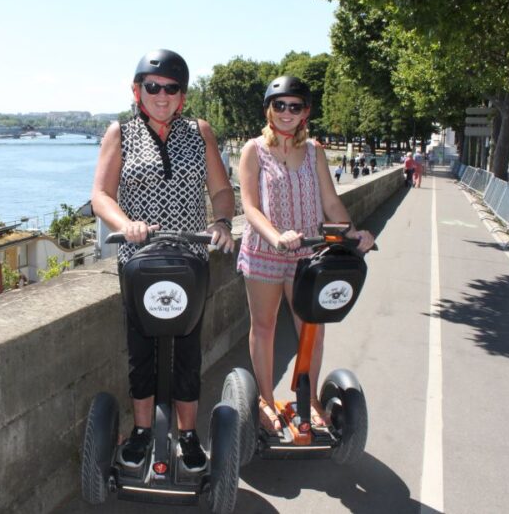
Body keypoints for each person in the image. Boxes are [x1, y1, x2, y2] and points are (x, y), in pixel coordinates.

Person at [91, 49, 235, 472]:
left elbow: (222, 191)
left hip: (190, 258)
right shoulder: (120, 133)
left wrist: (223, 222)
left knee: (189, 349)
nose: (161, 94)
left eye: (171, 88)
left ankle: (189, 435)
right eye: (152, 86)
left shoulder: (200, 131)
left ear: (182, 97)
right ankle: (140, 431)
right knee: (142, 350)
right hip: (140, 259)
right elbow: (100, 195)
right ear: (137, 91)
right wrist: (126, 223)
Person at [235, 76, 375, 434]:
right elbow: (249, 207)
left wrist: (352, 233)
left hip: (308, 256)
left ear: (305, 112)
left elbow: (330, 202)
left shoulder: (315, 151)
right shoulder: (253, 150)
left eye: (294, 106)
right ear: (269, 109)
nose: (286, 112)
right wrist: (277, 236)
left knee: (313, 328)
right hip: (264, 251)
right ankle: (266, 400)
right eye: (279, 105)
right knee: (264, 327)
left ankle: (309, 400)